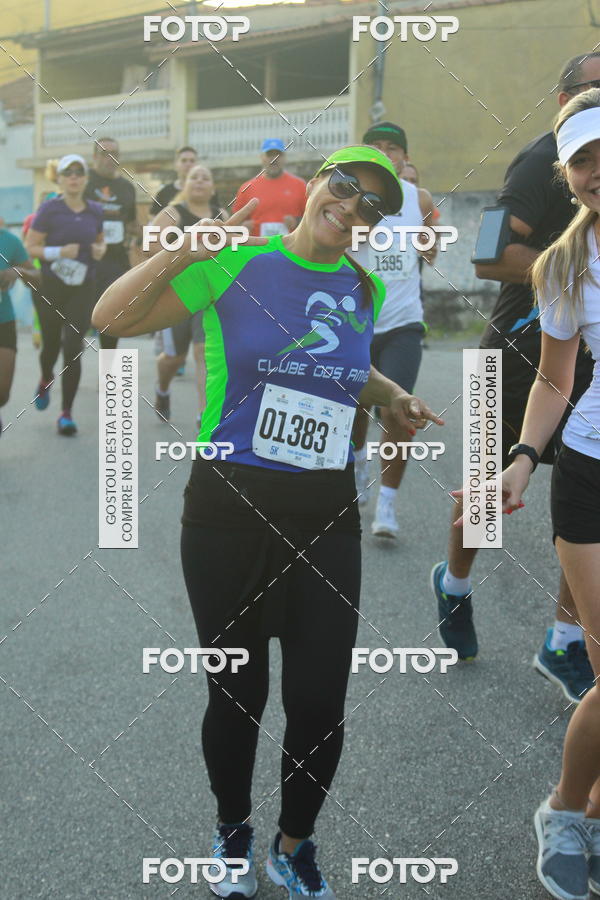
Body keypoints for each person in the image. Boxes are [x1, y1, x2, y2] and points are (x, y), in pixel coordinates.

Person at [92, 145, 443, 899]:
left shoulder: (361, 285)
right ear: (316, 184)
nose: (352, 208)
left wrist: (387, 397)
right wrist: (179, 251)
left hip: (324, 514)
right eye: (344, 187)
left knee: (320, 697)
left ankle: (295, 842)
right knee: (237, 693)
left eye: (372, 205)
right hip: (227, 511)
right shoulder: (237, 263)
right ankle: (231, 829)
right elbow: (107, 317)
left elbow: (344, 366)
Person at [430, 53, 600, 703]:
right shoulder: (540, 162)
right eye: (593, 88)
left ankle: (563, 640)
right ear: (562, 100)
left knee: (587, 499)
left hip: (584, 355)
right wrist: (572, 275)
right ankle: (456, 581)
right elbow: (488, 253)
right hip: (514, 350)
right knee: (488, 492)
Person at [497, 89, 600, 900]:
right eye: (584, 159)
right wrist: (526, 456)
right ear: (566, 174)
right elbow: (557, 377)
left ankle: (589, 806)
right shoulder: (562, 263)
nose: (599, 172)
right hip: (591, 474)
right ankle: (564, 811)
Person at [350, 121, 436, 538]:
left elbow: (432, 247)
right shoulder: (352, 197)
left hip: (403, 323)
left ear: (405, 156)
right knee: (353, 412)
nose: (385, 153)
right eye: (376, 147)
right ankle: (357, 464)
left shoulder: (419, 198)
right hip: (357, 321)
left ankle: (387, 504)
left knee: (398, 412)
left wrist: (429, 241)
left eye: (393, 148)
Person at [25, 154, 105, 435]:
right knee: (50, 347)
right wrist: (58, 252)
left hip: (82, 287)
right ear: (59, 178)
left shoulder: (96, 209)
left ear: (85, 178)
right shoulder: (49, 209)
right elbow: (30, 247)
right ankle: (46, 377)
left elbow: (99, 240)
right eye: (67, 172)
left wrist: (99, 250)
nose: (73, 176)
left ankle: (66, 413)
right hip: (49, 286)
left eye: (79, 171)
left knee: (73, 348)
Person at [149, 164, 228, 427]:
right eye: (194, 177)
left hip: (209, 296)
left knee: (203, 351)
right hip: (177, 294)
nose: (200, 181)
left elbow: (231, 255)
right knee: (174, 359)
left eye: (206, 177)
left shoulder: (222, 216)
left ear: (213, 187)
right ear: (184, 185)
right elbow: (150, 253)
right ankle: (162, 390)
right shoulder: (171, 214)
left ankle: (204, 416)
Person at [85, 137, 138, 352]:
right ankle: (63, 377)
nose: (110, 159)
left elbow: (132, 224)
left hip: (115, 261)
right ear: (94, 157)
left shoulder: (126, 187)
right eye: (105, 153)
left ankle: (112, 380)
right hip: (86, 259)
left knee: (112, 321)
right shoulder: (83, 181)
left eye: (115, 154)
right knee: (77, 325)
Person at [0, 227, 39, 436]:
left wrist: (18, 272)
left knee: (2, 394)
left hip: (3, 321)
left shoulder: (9, 241)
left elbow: (36, 276)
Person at [232, 138, 306, 237]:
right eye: (269, 155)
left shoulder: (300, 185)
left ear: (284, 158)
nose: (274, 159)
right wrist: (243, 227)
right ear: (262, 157)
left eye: (278, 154)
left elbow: (311, 217)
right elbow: (234, 223)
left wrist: (296, 221)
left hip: (290, 248)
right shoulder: (246, 188)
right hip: (258, 249)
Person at [150, 145, 198, 215]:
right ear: (176, 165)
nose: (188, 164)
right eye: (184, 160)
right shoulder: (164, 192)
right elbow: (153, 218)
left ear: (197, 164)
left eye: (192, 161)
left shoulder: (207, 192)